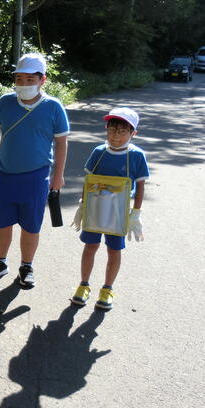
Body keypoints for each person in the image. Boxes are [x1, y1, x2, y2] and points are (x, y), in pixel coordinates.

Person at [0, 53, 68, 286]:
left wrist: (58, 175)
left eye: (30, 79)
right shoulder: (5, 102)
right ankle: (0, 262)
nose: (24, 83)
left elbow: (61, 142)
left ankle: (26, 265)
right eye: (19, 78)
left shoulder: (53, 107)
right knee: (2, 221)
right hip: (5, 173)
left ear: (43, 80)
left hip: (36, 176)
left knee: (31, 224)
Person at [69, 107, 149, 310]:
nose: (116, 136)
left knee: (114, 249)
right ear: (106, 129)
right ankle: (83, 285)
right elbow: (88, 180)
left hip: (119, 212)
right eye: (112, 130)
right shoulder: (99, 152)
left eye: (122, 131)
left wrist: (136, 213)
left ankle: (107, 289)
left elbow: (140, 186)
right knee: (90, 246)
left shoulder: (137, 156)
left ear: (133, 133)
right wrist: (82, 204)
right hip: (94, 208)